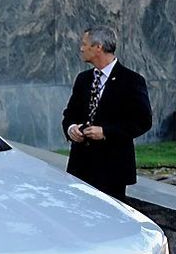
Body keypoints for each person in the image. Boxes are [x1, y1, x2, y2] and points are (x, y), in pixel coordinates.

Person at [61, 26, 152, 201]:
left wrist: (105, 132)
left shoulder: (131, 81)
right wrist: (71, 129)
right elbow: (69, 114)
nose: (81, 48)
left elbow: (142, 121)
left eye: (85, 44)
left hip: (112, 169)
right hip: (80, 167)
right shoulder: (83, 79)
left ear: (98, 47)